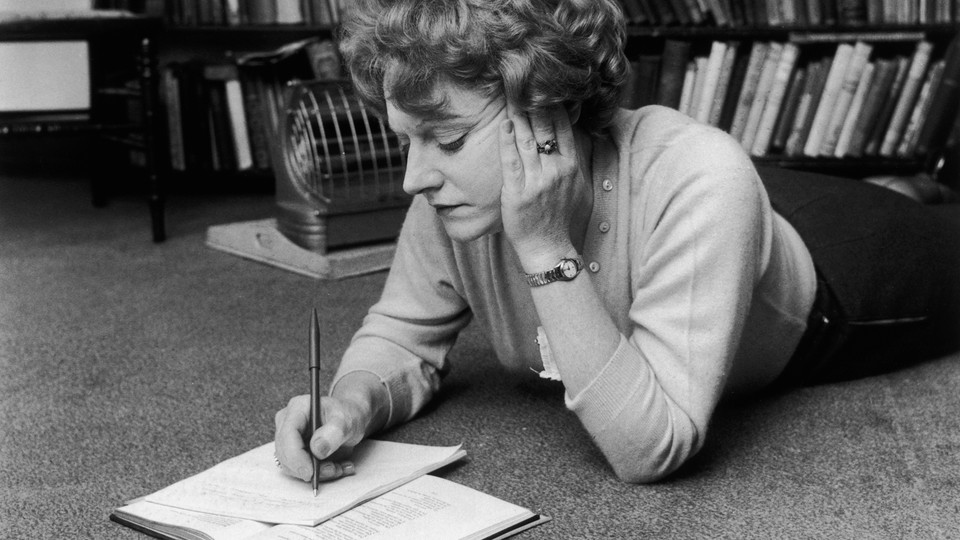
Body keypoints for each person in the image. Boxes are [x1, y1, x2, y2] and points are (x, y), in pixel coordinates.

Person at [274, 0, 960, 484]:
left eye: (447, 140)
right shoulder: (454, 197)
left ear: (548, 110)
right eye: (406, 141)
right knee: (781, 193)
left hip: (839, 286)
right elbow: (401, 332)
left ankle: (922, 192)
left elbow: (652, 447)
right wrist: (353, 400)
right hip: (729, 215)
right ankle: (907, 185)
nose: (413, 178)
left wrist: (543, 248)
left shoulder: (703, 177)